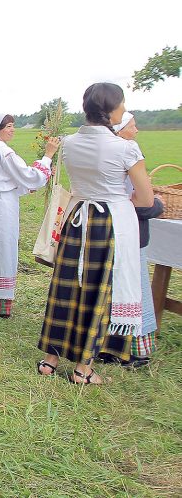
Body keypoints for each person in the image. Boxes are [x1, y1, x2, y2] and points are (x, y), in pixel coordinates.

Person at [37, 83, 154, 385]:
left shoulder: (70, 142)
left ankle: (50, 358)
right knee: (100, 289)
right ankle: (83, 368)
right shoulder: (126, 148)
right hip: (110, 222)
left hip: (77, 218)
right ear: (112, 110)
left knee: (68, 287)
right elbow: (145, 199)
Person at [0, 114, 59, 317]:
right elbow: (30, 176)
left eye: (12, 126)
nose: (12, 130)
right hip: (2, 206)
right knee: (3, 249)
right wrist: (48, 156)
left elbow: (10, 179)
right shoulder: (3, 152)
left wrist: (24, 185)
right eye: (8, 126)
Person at [99, 112, 164, 367]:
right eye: (132, 125)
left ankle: (106, 345)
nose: (136, 130)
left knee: (111, 290)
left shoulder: (102, 152)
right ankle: (135, 350)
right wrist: (157, 205)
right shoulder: (128, 151)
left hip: (105, 228)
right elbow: (142, 202)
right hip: (129, 230)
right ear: (120, 129)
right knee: (133, 289)